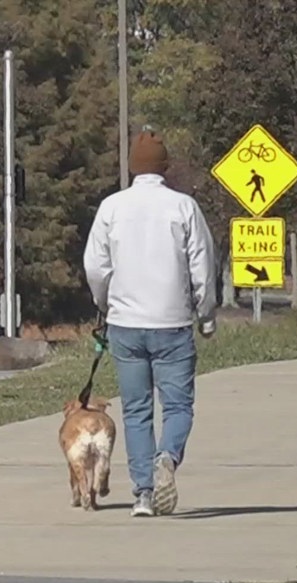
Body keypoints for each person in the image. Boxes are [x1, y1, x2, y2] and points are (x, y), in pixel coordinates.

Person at [82, 130, 217, 517]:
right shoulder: (184, 207)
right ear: (165, 166)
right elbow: (202, 267)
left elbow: (96, 265)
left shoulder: (111, 207)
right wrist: (205, 316)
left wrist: (105, 303)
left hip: (126, 324)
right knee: (178, 406)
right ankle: (167, 458)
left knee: (136, 410)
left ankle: (142, 493)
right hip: (172, 322)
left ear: (131, 167)